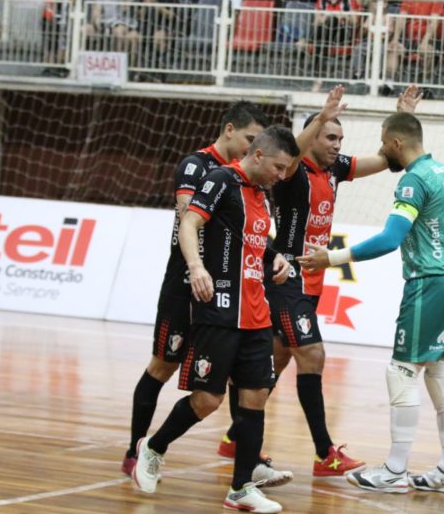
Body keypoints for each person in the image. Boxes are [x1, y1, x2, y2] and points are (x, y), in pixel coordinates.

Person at [219, 84, 424, 477]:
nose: (336, 144)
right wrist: (321, 116)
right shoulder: (292, 171)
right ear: (313, 138)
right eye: (330, 137)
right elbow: (294, 149)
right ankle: (323, 453)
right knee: (312, 355)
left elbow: (386, 159)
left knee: (275, 359)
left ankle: (234, 436)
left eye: (340, 139)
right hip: (286, 275)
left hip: (311, 281)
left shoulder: (334, 169)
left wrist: (404, 115)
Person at [132, 126, 300, 514]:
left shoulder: (261, 194)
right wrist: (195, 266)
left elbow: (252, 242)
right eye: (277, 167)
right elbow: (190, 223)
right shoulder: (220, 180)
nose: (279, 175)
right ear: (258, 155)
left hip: (257, 312)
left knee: (255, 396)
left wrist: (273, 256)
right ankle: (154, 447)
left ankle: (241, 489)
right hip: (219, 310)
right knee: (208, 399)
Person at [298, 112, 444, 494]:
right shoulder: (443, 171)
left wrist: (333, 257)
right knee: (440, 374)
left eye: (382, 142)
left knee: (402, 373)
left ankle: (394, 470)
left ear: (396, 144)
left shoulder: (413, 181)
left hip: (429, 283)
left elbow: (390, 239)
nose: (380, 150)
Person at [120, 101, 270, 477]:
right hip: (184, 285)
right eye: (250, 139)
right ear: (230, 130)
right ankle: (135, 450)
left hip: (223, 294)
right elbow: (191, 219)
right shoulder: (197, 166)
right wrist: (199, 265)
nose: (253, 148)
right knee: (162, 366)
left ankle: (246, 461)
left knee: (240, 374)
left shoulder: (248, 179)